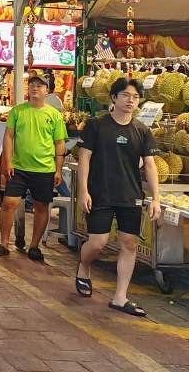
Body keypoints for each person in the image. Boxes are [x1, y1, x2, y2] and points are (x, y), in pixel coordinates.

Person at [75, 77, 161, 317]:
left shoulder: (142, 130)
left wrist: (156, 198)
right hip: (100, 192)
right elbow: (84, 158)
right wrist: (83, 191)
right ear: (113, 97)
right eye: (125, 95)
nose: (130, 101)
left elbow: (150, 165)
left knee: (129, 243)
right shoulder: (96, 125)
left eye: (135, 97)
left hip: (130, 194)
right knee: (98, 242)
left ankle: (120, 297)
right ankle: (84, 264)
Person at [0, 74, 67, 260]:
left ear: (47, 91)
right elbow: (8, 136)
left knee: (41, 206)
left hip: (44, 169)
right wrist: (8, 161)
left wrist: (58, 169)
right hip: (19, 168)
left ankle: (34, 246)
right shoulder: (17, 111)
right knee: (9, 203)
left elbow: (59, 143)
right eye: (32, 85)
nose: (34, 88)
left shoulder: (54, 115)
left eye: (39, 86)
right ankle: (4, 243)